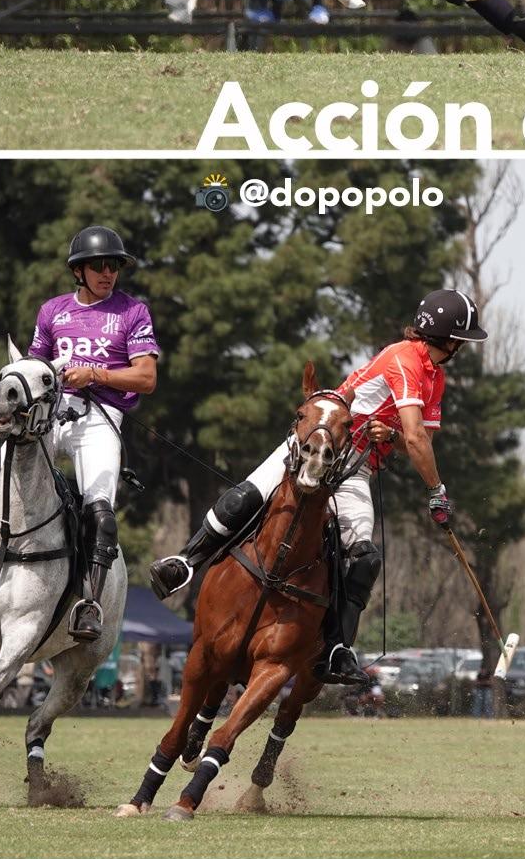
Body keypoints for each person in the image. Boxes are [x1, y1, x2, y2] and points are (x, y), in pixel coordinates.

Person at [148, 287, 487, 691]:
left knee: (364, 558)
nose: (461, 347)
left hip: (354, 468)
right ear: (448, 339)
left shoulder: (435, 377)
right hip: (320, 445)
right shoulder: (404, 358)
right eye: (461, 340)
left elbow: (417, 440)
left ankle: (337, 647)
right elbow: (416, 439)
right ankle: (186, 562)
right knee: (246, 496)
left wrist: (389, 434)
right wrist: (436, 492)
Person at [0, 225, 158, 642]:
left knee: (100, 511)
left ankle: (89, 604)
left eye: (114, 266)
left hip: (99, 417)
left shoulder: (132, 312)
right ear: (78, 271)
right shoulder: (53, 312)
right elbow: (33, 368)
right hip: (48, 415)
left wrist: (96, 374)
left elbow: (146, 377)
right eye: (99, 266)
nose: (108, 273)